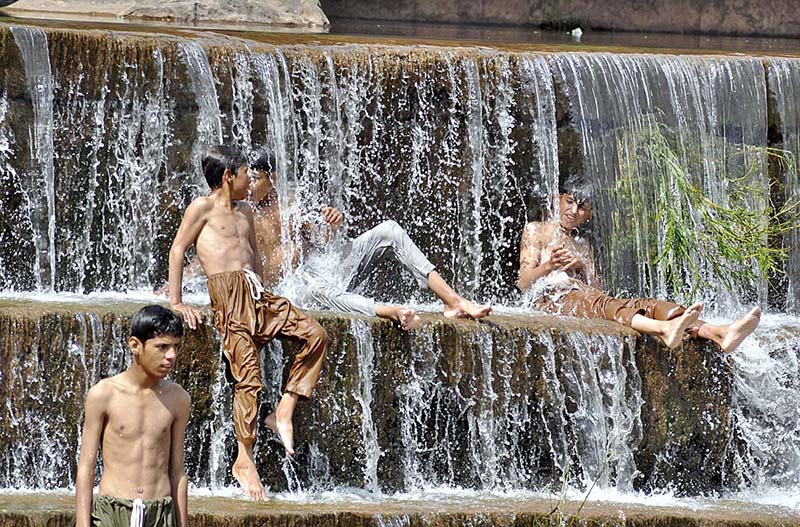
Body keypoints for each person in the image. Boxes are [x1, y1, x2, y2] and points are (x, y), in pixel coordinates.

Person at [168, 145, 328, 501]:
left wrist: (265, 298)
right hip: (227, 295)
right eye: (245, 175)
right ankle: (244, 458)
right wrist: (177, 302)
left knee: (315, 334)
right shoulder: (201, 208)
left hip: (257, 293)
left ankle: (284, 410)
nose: (249, 181)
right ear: (228, 177)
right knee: (249, 379)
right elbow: (178, 250)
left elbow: (252, 256)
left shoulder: (245, 211)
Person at [247, 150, 491, 330]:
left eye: (256, 178)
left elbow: (321, 242)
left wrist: (333, 225)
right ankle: (389, 311)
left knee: (389, 230)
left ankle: (452, 300)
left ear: (273, 179)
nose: (249, 185)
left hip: (319, 274)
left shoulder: (291, 201)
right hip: (293, 290)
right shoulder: (242, 213)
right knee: (314, 287)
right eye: (247, 178)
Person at [517, 191, 761, 352]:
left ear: (588, 215)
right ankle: (663, 330)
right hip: (549, 300)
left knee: (646, 303)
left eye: (581, 207)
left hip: (582, 299)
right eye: (569, 202)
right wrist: (548, 265)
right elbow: (523, 283)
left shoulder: (583, 245)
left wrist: (583, 266)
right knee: (604, 305)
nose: (573, 211)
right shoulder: (536, 230)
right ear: (558, 199)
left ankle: (717, 332)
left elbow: (598, 291)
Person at [75, 305, 190, 527]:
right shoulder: (104, 394)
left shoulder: (178, 399)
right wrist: (82, 524)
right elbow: (86, 468)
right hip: (112, 511)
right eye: (162, 347)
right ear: (135, 345)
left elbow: (177, 472)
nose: (171, 356)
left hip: (160, 512)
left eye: (175, 347)